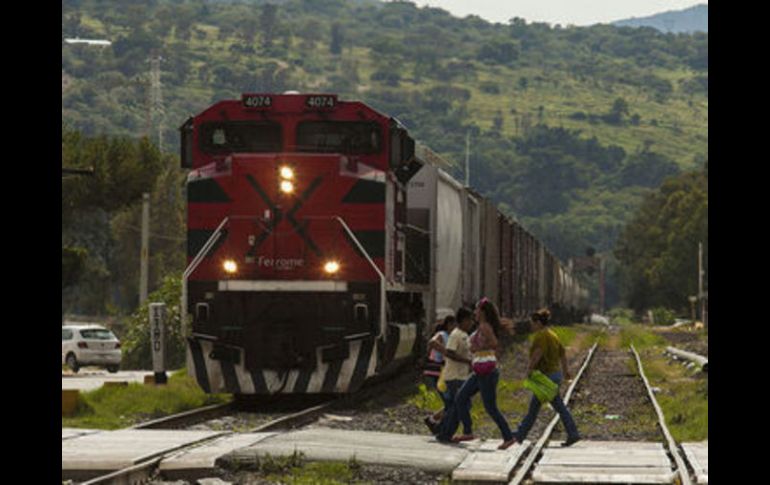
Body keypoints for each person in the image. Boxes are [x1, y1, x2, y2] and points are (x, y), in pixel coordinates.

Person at [437, 298, 517, 450]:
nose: (474, 312)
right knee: (461, 397)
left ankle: (508, 437)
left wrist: (477, 347)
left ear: (482, 312)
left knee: (490, 407)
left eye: (477, 310)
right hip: (479, 370)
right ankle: (468, 431)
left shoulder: (485, 327)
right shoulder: (481, 326)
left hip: (486, 372)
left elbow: (494, 343)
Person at [511, 308, 581, 447]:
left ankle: (520, 435)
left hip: (546, 377)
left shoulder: (541, 335)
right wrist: (566, 370)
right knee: (550, 406)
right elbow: (562, 354)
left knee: (540, 407)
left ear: (538, 322)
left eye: (532, 323)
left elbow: (538, 352)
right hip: (555, 375)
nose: (531, 326)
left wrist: (529, 368)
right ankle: (520, 434)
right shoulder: (553, 335)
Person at [424, 307, 475, 437]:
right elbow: (447, 351)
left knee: (455, 405)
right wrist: (465, 360)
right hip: (448, 374)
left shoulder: (462, 335)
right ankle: (445, 429)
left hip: (457, 375)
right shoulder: (451, 335)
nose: (472, 323)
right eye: (470, 320)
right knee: (458, 404)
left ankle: (441, 428)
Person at [422, 315, 455, 431]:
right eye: (454, 325)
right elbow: (432, 342)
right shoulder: (442, 335)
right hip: (437, 373)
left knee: (451, 402)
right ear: (449, 325)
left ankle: (433, 420)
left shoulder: (450, 337)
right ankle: (439, 425)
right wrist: (447, 354)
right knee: (451, 402)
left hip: (442, 373)